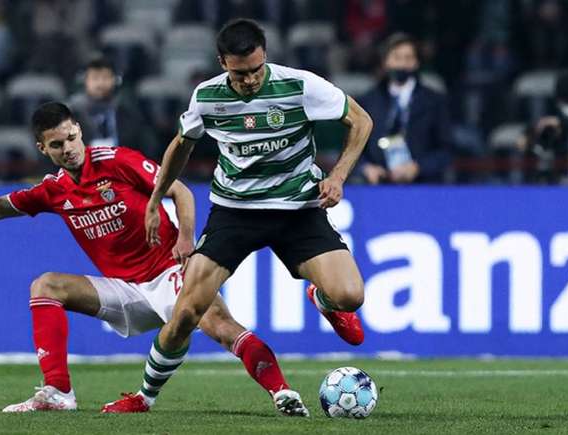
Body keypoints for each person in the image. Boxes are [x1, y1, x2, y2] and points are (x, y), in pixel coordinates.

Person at [0, 102, 309, 416]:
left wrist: (185, 237)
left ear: (79, 130)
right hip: (123, 289)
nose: (68, 148)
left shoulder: (118, 161)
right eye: (56, 145)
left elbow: (180, 191)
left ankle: (282, 392)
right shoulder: (53, 191)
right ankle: (58, 393)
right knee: (45, 286)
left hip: (167, 274)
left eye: (71, 138)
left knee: (221, 325)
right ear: (42, 149)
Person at [104, 18, 372, 413]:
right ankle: (144, 397)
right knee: (186, 313)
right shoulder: (207, 96)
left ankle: (324, 300)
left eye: (256, 70)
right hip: (235, 212)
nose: (249, 80)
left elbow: (361, 120)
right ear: (221, 62)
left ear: (266, 57)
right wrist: (155, 198)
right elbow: (182, 145)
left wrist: (338, 175)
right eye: (240, 73)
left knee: (351, 296)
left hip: (296, 208)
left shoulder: (300, 85)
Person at [358, 33, 451, 184]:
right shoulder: (368, 101)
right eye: (396, 58)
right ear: (385, 62)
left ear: (416, 62)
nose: (402, 64)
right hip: (377, 187)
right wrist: (366, 168)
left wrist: (418, 167)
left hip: (422, 186)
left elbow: (446, 151)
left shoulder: (434, 101)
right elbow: (353, 146)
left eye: (408, 58)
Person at [68, 57, 157, 156]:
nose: (100, 83)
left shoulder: (128, 110)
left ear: (116, 80)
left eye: (105, 78)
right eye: (95, 78)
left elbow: (141, 142)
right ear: (84, 81)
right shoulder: (72, 113)